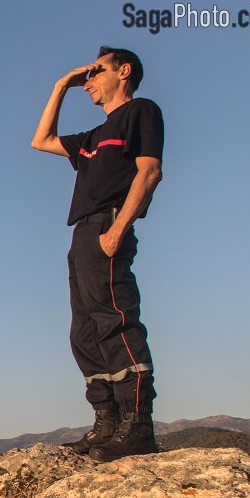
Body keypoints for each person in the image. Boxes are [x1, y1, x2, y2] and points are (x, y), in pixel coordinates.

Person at [31, 46, 163, 461]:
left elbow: (150, 171)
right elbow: (42, 140)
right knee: (84, 331)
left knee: (115, 322)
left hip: (108, 227)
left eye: (96, 71)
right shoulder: (90, 138)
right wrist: (60, 87)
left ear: (123, 71)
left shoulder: (140, 111)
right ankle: (106, 423)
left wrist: (118, 229)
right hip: (82, 235)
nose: (88, 80)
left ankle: (138, 426)